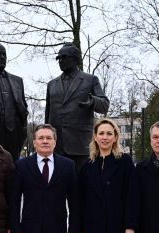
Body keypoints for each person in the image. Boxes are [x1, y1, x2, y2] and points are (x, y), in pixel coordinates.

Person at [45, 43, 110, 171]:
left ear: (75, 59)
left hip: (80, 145)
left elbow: (104, 105)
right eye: (59, 58)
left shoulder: (90, 80)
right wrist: (46, 137)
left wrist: (92, 101)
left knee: (81, 186)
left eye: (64, 57)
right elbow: (48, 114)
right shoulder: (52, 84)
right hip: (57, 146)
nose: (61, 61)